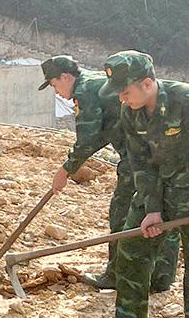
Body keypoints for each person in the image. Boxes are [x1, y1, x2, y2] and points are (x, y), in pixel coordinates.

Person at [93, 51, 189, 318]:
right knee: (131, 250)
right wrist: (152, 209)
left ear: (146, 83)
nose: (122, 98)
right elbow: (141, 165)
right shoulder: (131, 113)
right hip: (162, 193)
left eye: (126, 91)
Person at [39, 55, 179, 292]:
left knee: (121, 213)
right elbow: (103, 133)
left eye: (54, 85)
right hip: (158, 156)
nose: (57, 92)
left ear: (65, 77)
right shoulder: (96, 83)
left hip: (137, 158)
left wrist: (65, 170)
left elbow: (89, 138)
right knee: (163, 211)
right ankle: (162, 277)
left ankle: (115, 275)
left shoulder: (85, 92)